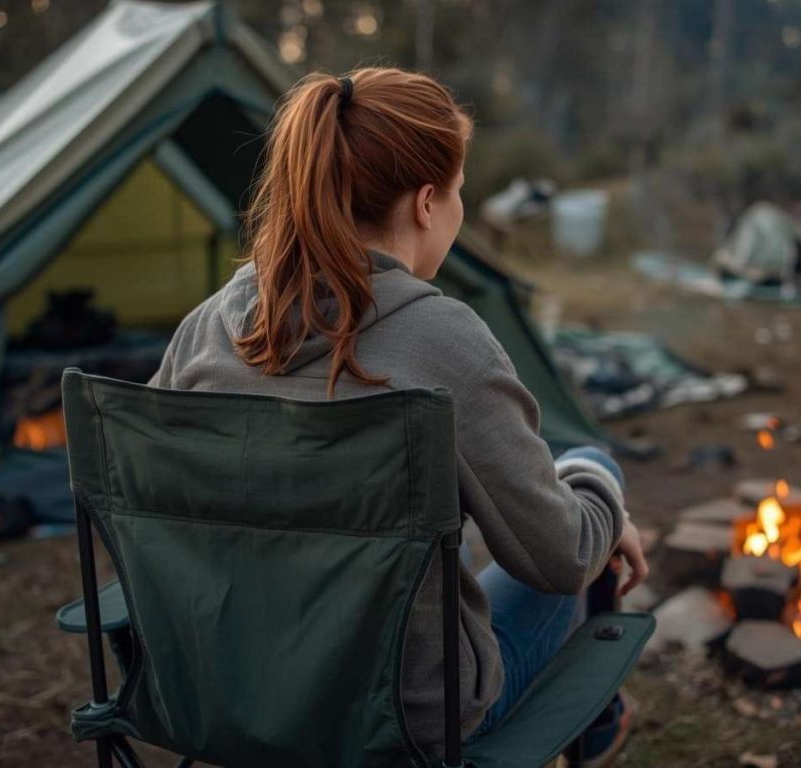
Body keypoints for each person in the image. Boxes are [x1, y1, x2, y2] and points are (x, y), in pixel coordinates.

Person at [148, 67, 649, 765]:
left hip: (229, 689)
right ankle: (598, 728)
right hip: (405, 718)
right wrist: (608, 511)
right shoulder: (443, 343)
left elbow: (151, 518)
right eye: (460, 191)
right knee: (593, 469)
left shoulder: (208, 328)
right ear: (425, 203)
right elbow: (558, 558)